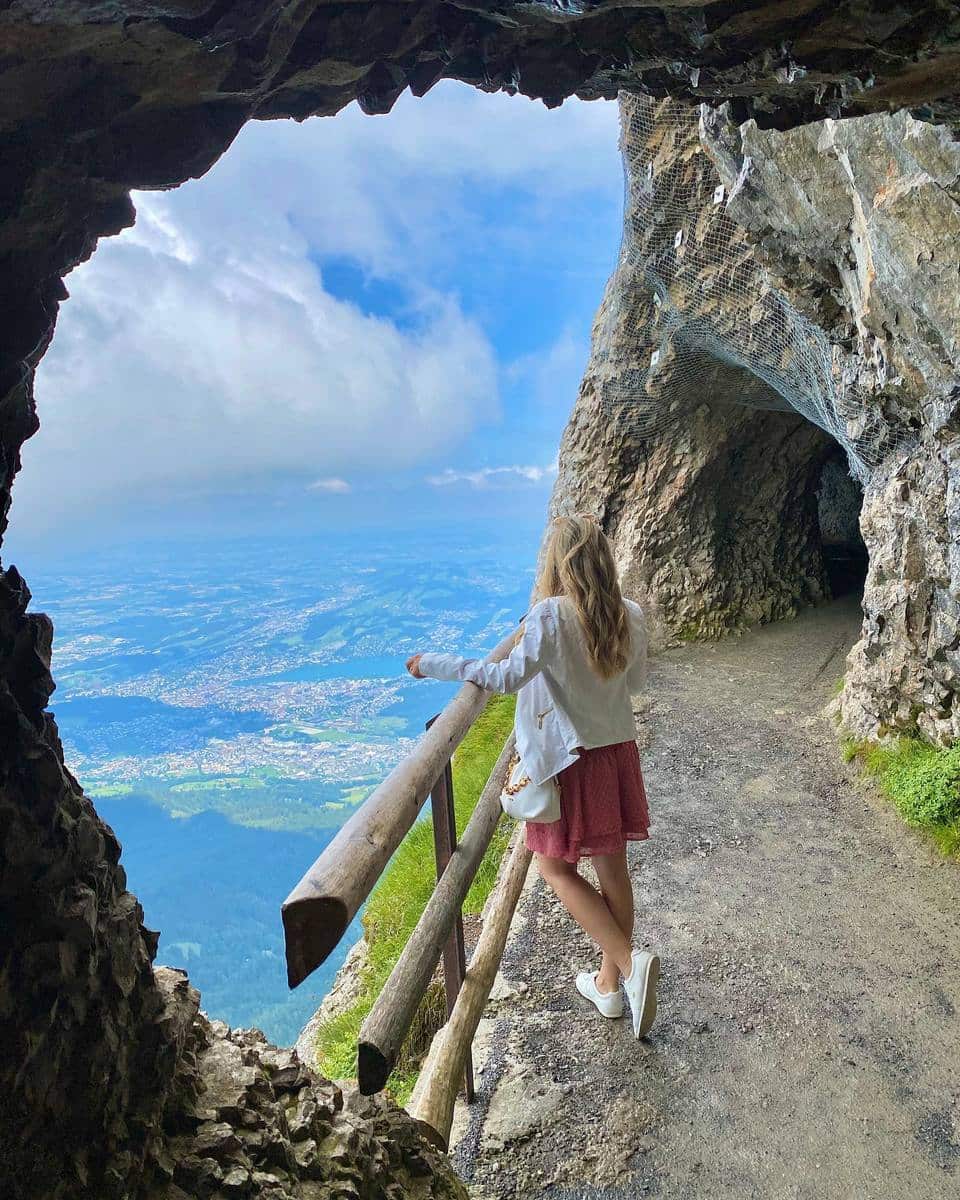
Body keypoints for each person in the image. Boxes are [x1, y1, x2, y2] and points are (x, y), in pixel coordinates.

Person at [405, 514, 658, 1038]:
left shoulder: (549, 616)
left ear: (557, 564)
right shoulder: (629, 614)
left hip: (572, 763)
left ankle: (629, 967)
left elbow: (502, 678)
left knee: (553, 869)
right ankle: (610, 988)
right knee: (614, 875)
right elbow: (633, 682)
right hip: (617, 757)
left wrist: (434, 663)